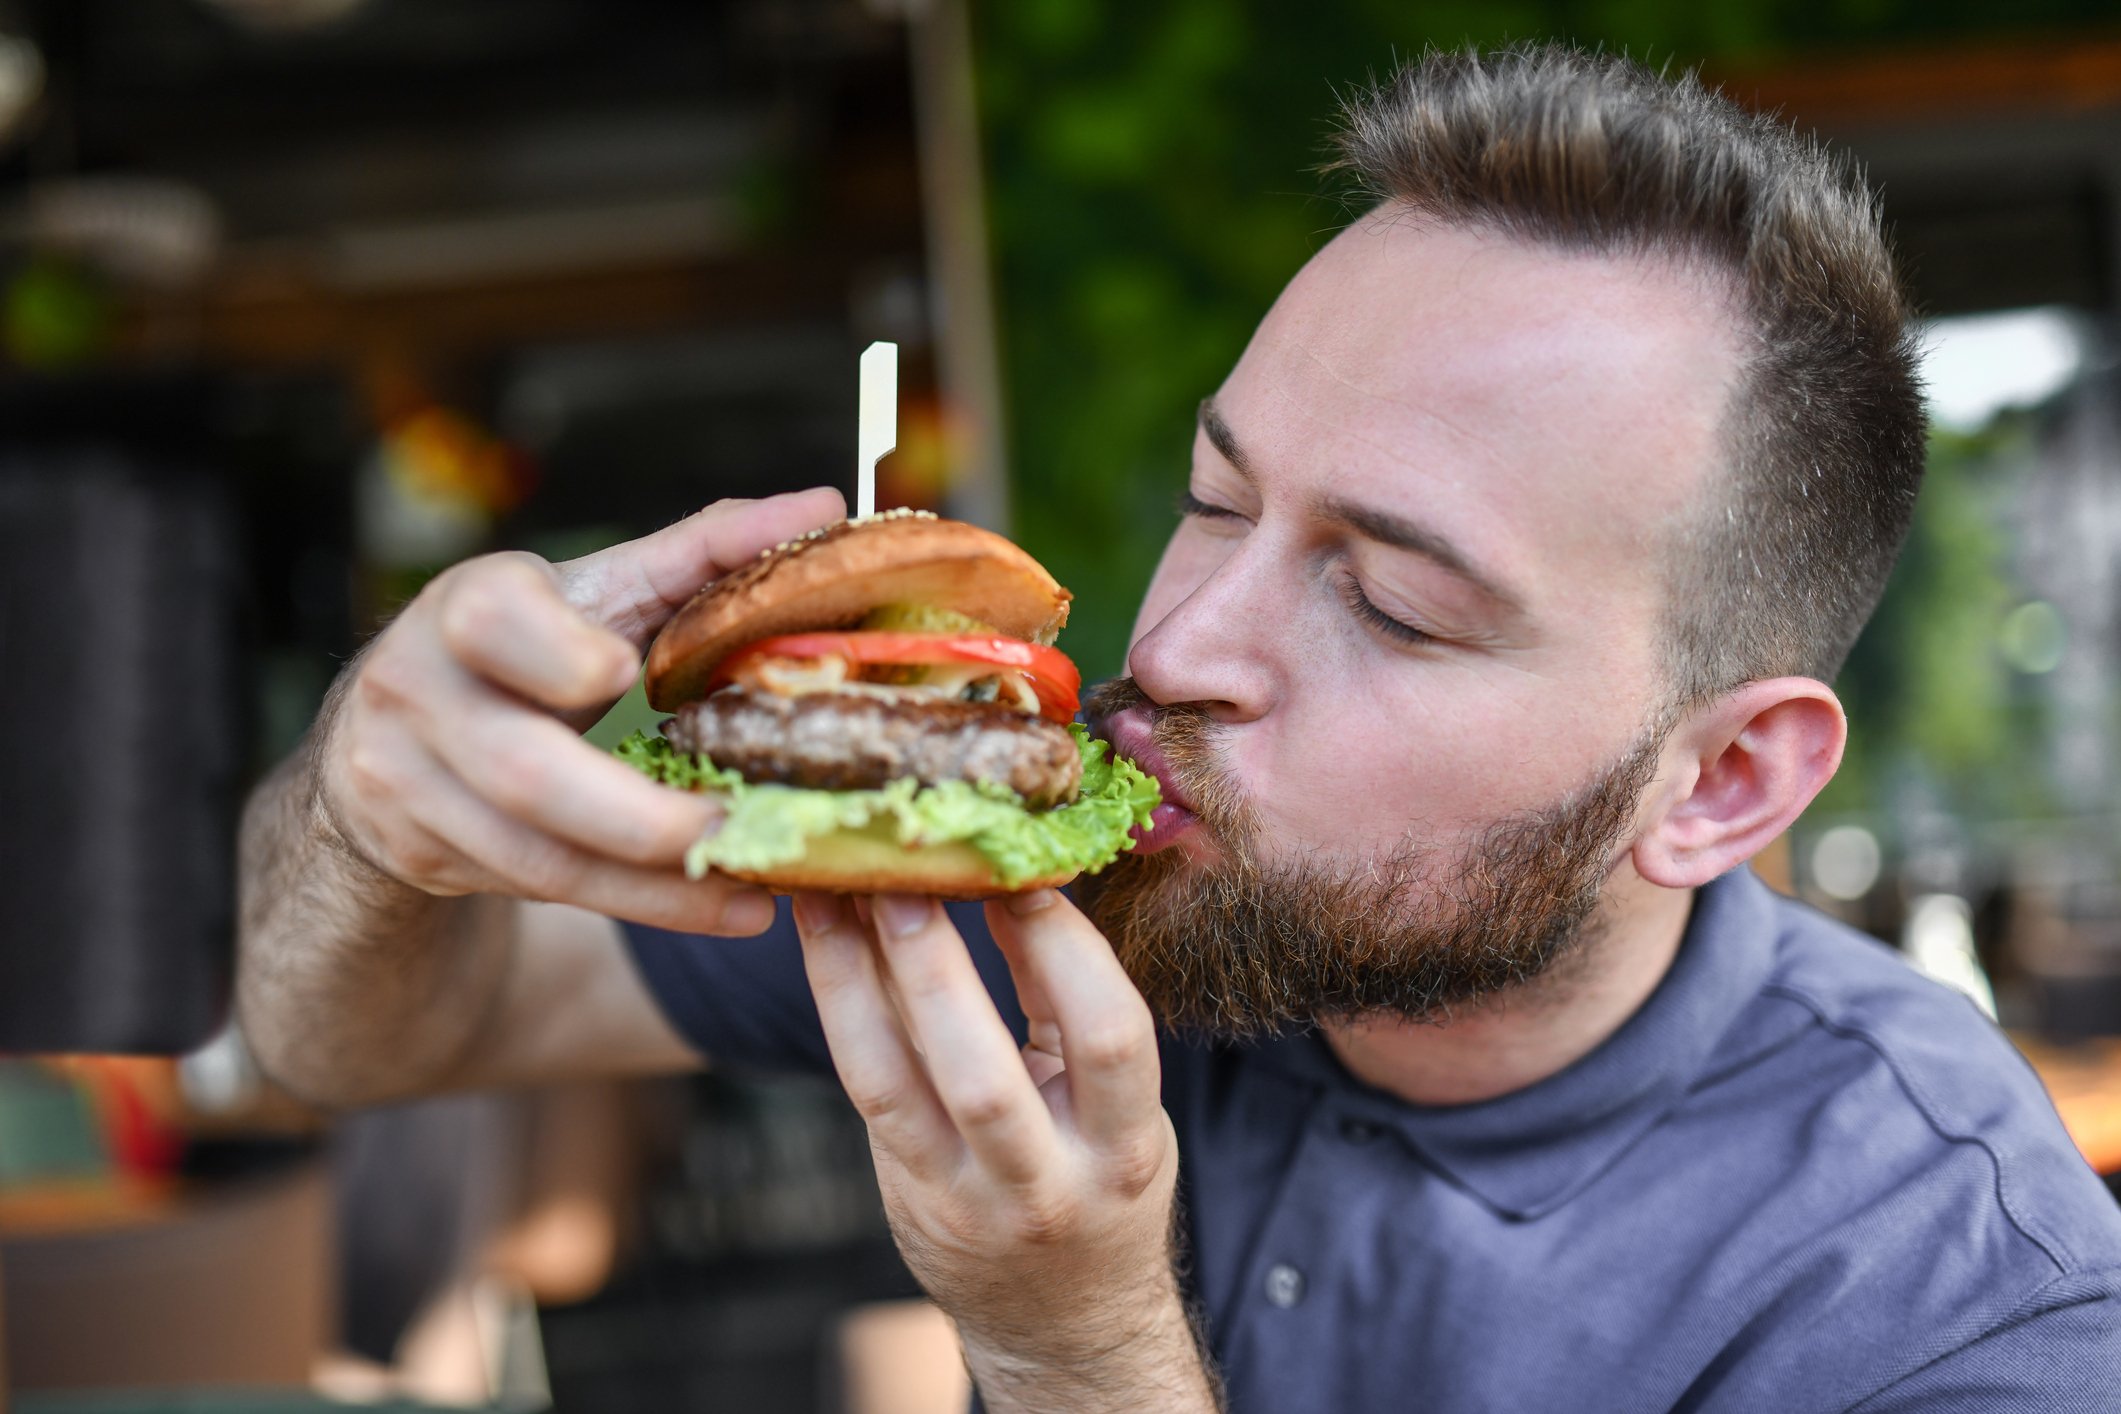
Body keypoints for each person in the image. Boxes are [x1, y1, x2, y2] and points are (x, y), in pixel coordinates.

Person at [237, 45, 2121, 1413]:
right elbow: (355, 1031)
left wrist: (1080, 1354)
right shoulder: (1076, 866)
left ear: (1718, 782)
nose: (1182, 642)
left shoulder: (1950, 1312)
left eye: (1392, 602)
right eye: (1218, 502)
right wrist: (364, 818)